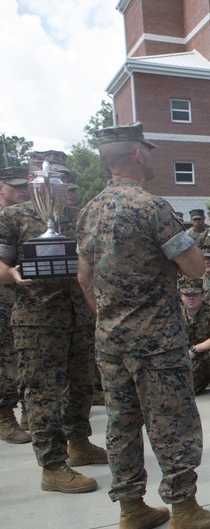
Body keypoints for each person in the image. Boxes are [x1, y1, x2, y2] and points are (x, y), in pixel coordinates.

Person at [77, 122, 210, 529]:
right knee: (172, 422)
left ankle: (131, 510)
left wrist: (108, 318)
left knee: (121, 422)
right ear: (140, 155)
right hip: (156, 341)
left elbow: (84, 278)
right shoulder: (152, 207)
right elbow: (196, 268)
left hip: (110, 340)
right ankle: (184, 510)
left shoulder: (89, 210)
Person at [0, 161, 107, 491]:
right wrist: (13, 275)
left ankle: (79, 442)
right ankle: (52, 465)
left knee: (81, 383)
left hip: (79, 314)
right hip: (38, 318)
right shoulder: (13, 217)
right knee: (43, 390)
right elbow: (1, 264)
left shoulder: (76, 217)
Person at [0, 166, 32, 444]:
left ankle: (27, 410)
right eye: (15, 186)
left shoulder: (28, 218)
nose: (22, 190)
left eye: (25, 185)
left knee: (23, 358)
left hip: (24, 299)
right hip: (2, 296)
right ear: (1, 188)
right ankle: (3, 415)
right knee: (4, 358)